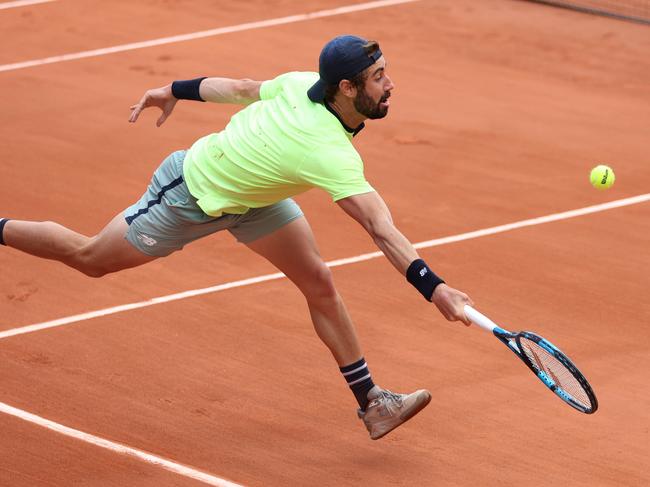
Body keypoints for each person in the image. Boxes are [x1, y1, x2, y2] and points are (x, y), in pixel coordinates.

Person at [0, 35, 473, 440]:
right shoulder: (327, 151)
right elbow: (380, 228)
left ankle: (372, 403)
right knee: (90, 257)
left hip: (258, 199)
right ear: (346, 88)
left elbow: (241, 88)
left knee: (319, 282)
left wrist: (173, 89)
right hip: (191, 194)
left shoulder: (300, 84)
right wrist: (435, 288)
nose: (390, 84)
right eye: (378, 77)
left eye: (385, 72)